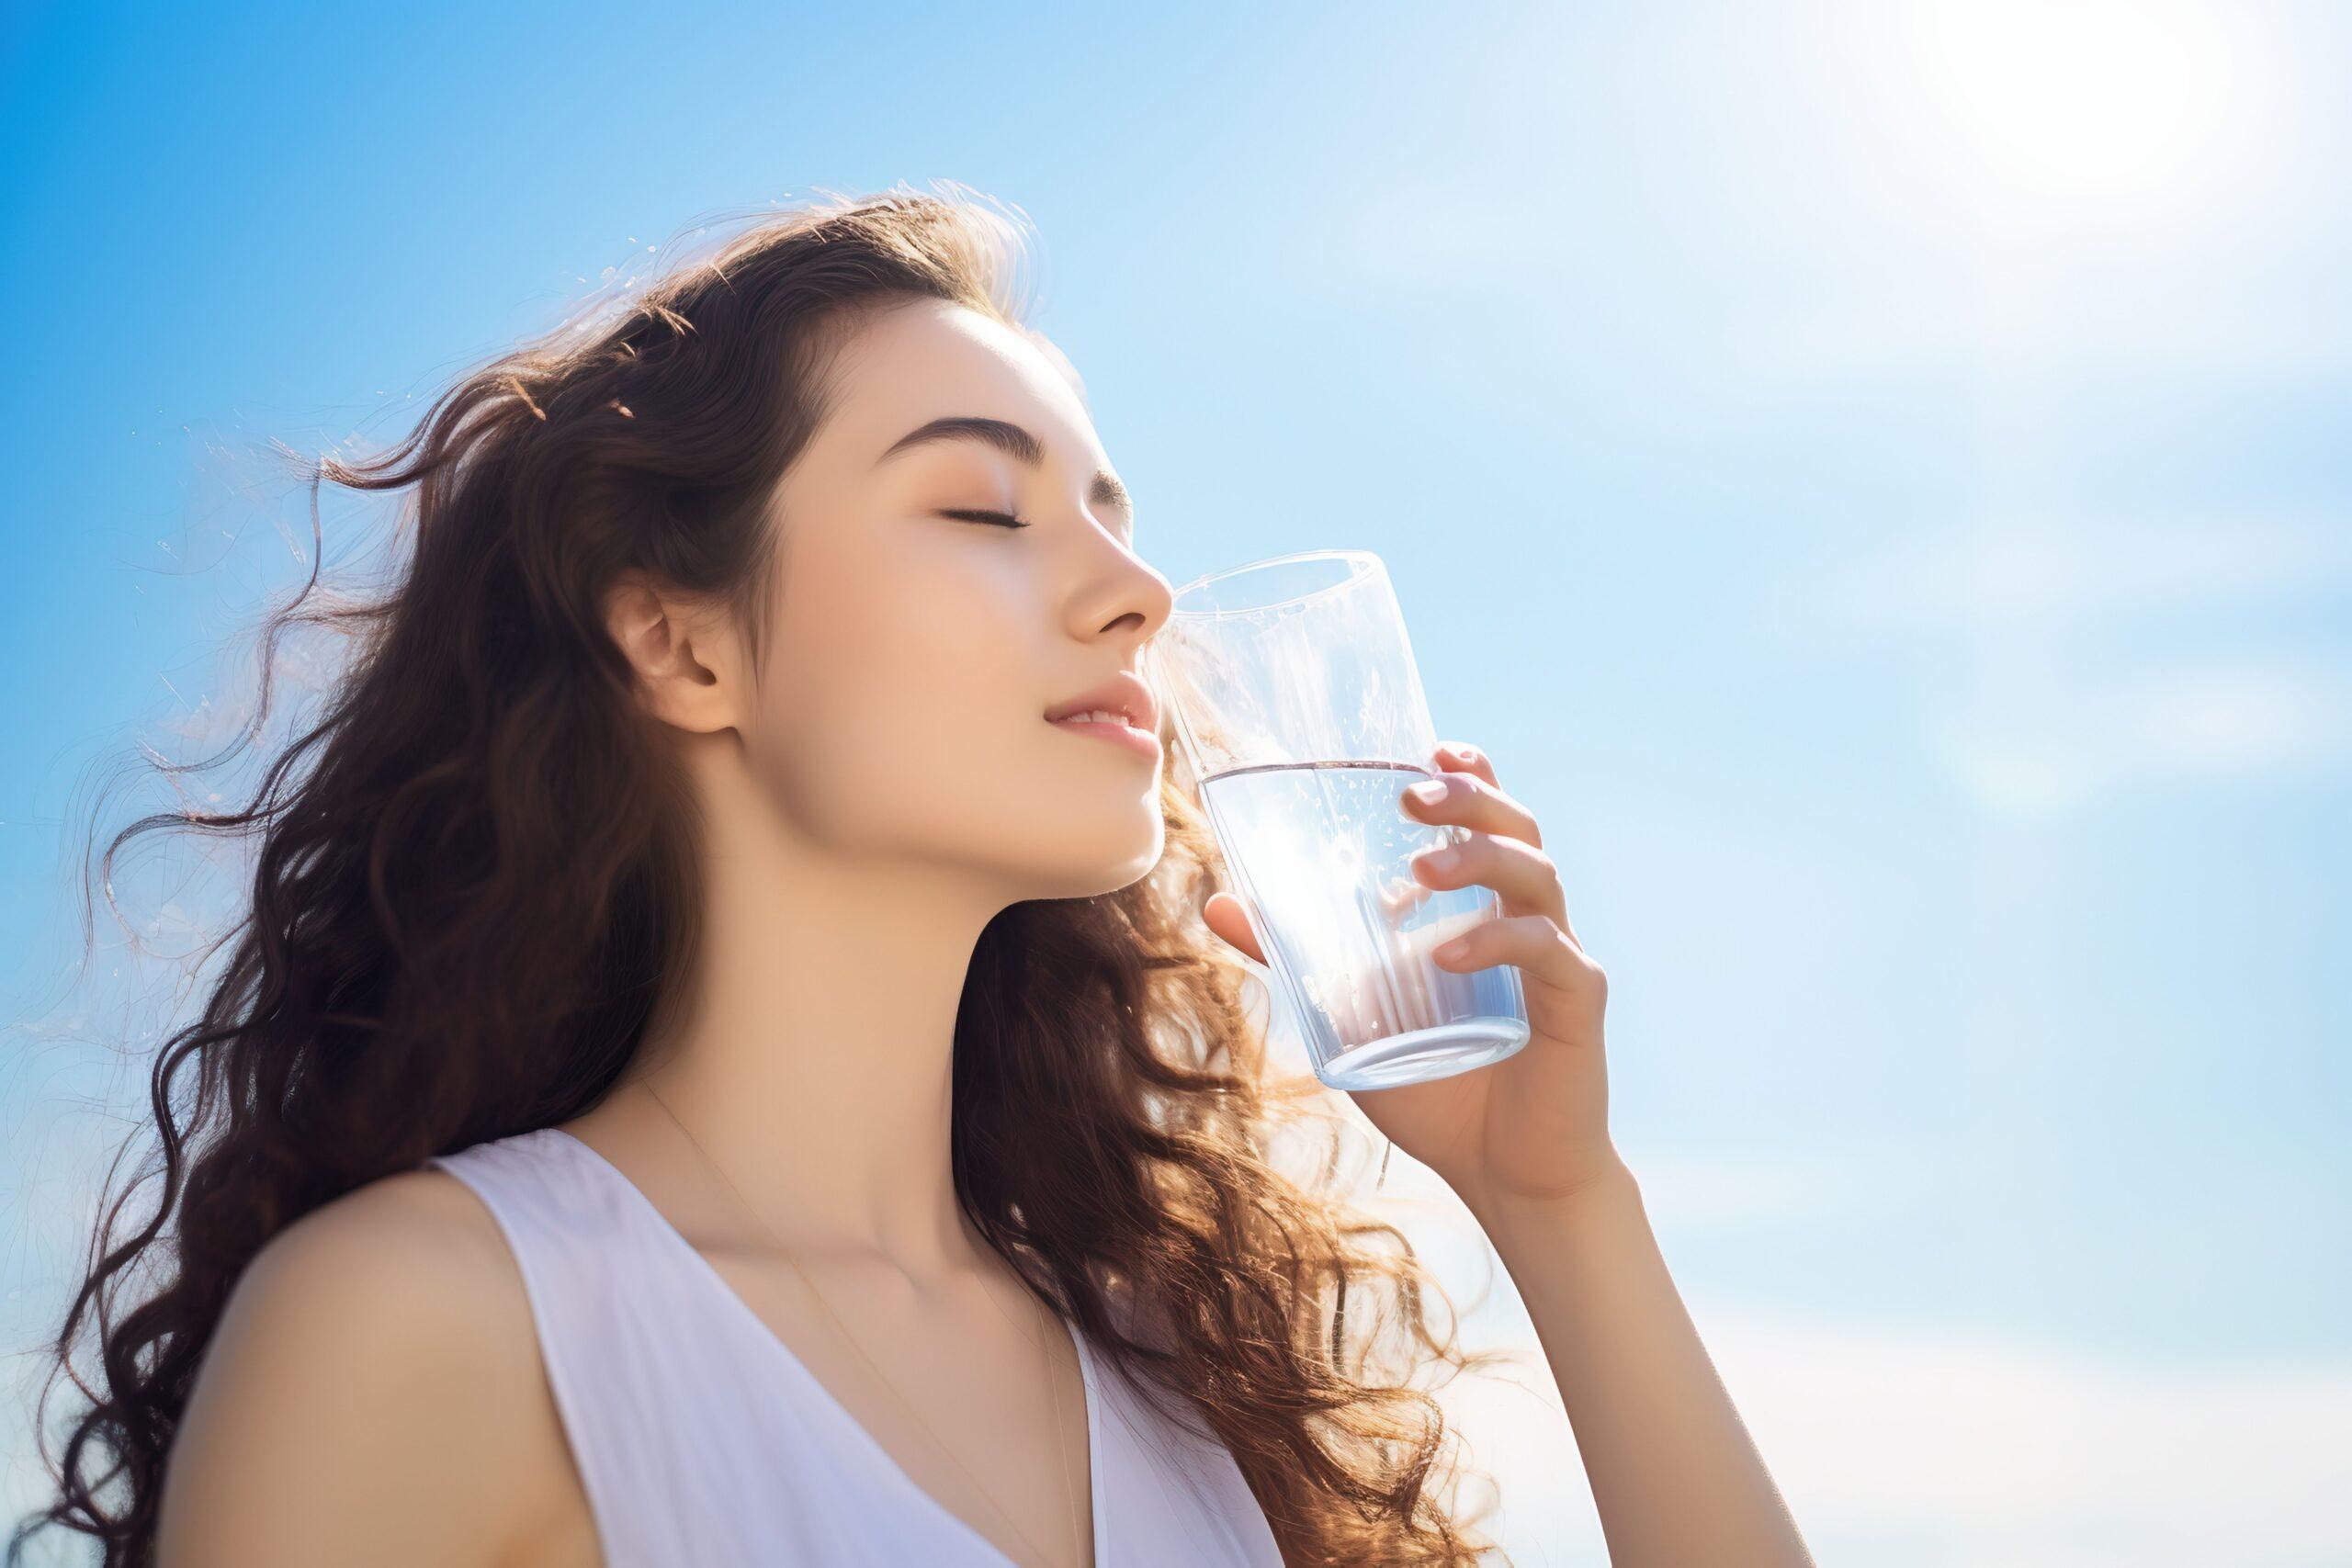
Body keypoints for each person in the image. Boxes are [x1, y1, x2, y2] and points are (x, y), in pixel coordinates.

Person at [10, 185, 1812, 1567]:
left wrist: (1562, 1208)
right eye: (980, 506)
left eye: (1112, 511)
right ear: (682, 643)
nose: (1135, 589)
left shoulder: (1176, 1371)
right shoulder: (438, 1317)